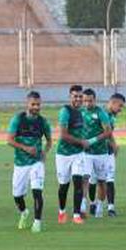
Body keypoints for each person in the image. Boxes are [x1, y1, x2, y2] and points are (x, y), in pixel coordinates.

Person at [7, 91, 53, 233]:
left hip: (36, 162)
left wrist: (44, 152)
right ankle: (24, 212)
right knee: (17, 195)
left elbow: (50, 141)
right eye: (33, 104)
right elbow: (9, 140)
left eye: (38, 104)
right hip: (21, 163)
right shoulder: (18, 119)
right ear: (27, 104)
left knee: (37, 192)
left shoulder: (43, 121)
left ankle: (37, 222)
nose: (36, 107)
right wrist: (26, 148)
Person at [55, 85, 89, 225]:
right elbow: (63, 135)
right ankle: (62, 211)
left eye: (80, 96)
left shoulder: (83, 112)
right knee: (64, 185)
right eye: (75, 96)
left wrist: (85, 142)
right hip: (63, 154)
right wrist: (81, 141)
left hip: (78, 154)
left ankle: (76, 215)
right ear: (70, 97)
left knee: (78, 182)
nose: (78, 99)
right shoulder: (65, 111)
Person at [80, 89, 113, 219]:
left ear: (95, 100)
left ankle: (99, 205)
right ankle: (82, 204)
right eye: (85, 101)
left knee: (101, 181)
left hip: (101, 152)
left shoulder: (100, 113)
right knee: (84, 178)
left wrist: (92, 140)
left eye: (90, 100)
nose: (87, 103)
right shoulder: (80, 113)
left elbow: (108, 132)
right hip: (85, 153)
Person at [101, 93, 125, 217]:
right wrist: (115, 144)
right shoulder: (101, 113)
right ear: (113, 102)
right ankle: (94, 205)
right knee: (95, 181)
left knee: (110, 178)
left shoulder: (112, 116)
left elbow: (110, 134)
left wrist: (113, 145)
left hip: (108, 151)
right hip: (97, 151)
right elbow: (106, 133)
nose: (120, 109)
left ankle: (111, 208)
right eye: (120, 106)